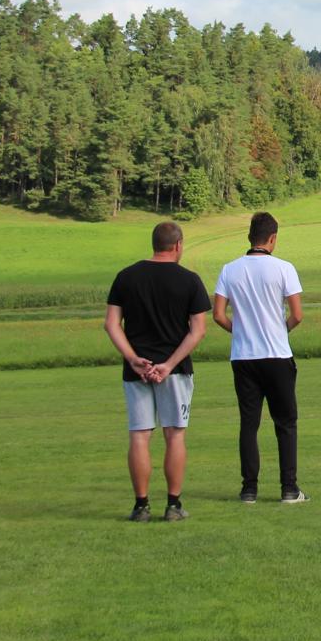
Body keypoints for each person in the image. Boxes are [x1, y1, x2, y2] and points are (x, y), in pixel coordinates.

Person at [105, 221, 210, 522]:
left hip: (137, 370)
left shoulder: (126, 277)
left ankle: (141, 506)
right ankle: (173, 505)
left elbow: (111, 324)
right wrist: (169, 364)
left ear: (154, 243)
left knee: (139, 436)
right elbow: (198, 331)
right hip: (174, 371)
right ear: (178, 245)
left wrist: (133, 358)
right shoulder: (190, 280)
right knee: (174, 435)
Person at [214, 211, 307, 504]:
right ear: (273, 238)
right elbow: (297, 315)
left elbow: (218, 315)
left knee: (249, 423)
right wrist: (280, 331)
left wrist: (240, 331)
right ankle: (289, 488)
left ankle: (249, 489)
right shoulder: (284, 268)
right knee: (286, 423)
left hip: (244, 357)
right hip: (277, 355)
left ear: (249, 237)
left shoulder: (229, 270)